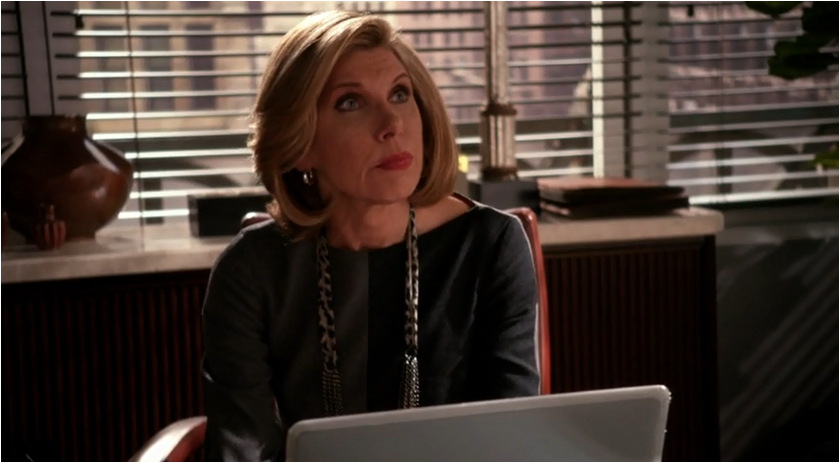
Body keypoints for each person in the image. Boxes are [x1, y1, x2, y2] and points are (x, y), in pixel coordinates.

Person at [202, 9, 539, 462]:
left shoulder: (491, 246)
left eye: (400, 94)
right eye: (350, 102)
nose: (392, 123)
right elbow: (239, 448)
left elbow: (511, 436)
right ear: (300, 144)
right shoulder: (251, 270)